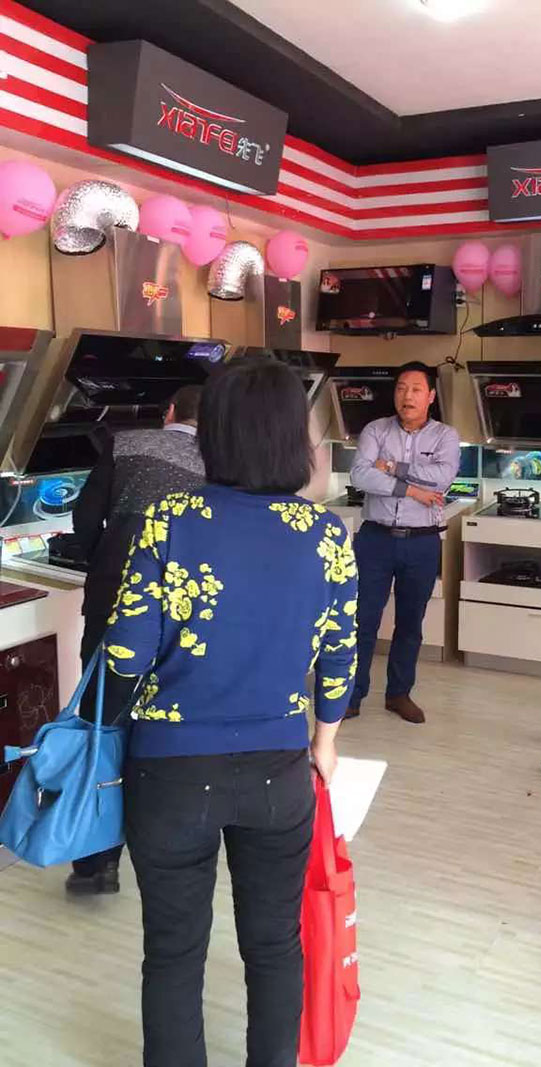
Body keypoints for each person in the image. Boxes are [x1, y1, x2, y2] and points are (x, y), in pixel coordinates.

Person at [103, 357, 357, 1067]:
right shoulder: (326, 534)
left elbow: (125, 653)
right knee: (275, 944)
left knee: (173, 950)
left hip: (169, 771)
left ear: (213, 433)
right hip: (280, 770)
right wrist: (325, 741)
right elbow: (340, 657)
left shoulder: (170, 519)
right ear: (292, 438)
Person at [65, 384, 206, 895]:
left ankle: (97, 860)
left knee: (102, 721)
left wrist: (103, 558)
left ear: (168, 412)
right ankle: (167, 848)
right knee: (169, 726)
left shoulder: (124, 444)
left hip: (114, 601)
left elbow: (85, 519)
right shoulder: (222, 462)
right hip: (184, 614)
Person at [346, 360, 460, 724]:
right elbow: (360, 475)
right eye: (400, 388)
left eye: (415, 389)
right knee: (362, 619)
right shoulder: (375, 430)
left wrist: (393, 468)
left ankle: (398, 694)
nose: (406, 396)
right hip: (375, 539)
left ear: (430, 396)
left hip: (422, 542)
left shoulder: (445, 436)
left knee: (411, 623)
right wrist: (411, 490)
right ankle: (352, 695)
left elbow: (442, 478)